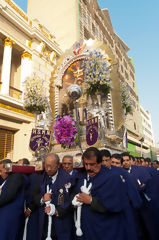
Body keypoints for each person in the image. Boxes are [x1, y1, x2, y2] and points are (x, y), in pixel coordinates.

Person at [72, 147, 138, 240]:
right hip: (86, 228)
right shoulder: (80, 175)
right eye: (85, 164)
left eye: (92, 164)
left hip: (106, 229)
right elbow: (73, 192)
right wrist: (74, 201)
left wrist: (91, 201)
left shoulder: (112, 177)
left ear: (100, 163)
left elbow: (116, 204)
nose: (88, 168)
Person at [29, 153, 73, 240]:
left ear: (58, 166)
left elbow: (70, 201)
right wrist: (42, 199)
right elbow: (35, 195)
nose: (48, 169)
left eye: (51, 166)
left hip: (60, 220)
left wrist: (57, 211)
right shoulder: (41, 178)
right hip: (44, 220)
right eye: (46, 166)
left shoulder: (67, 178)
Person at [0, 159, 26, 240]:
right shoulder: (7, 179)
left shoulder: (16, 176)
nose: (0, 174)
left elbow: (9, 195)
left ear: (7, 168)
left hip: (10, 216)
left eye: (1, 171)